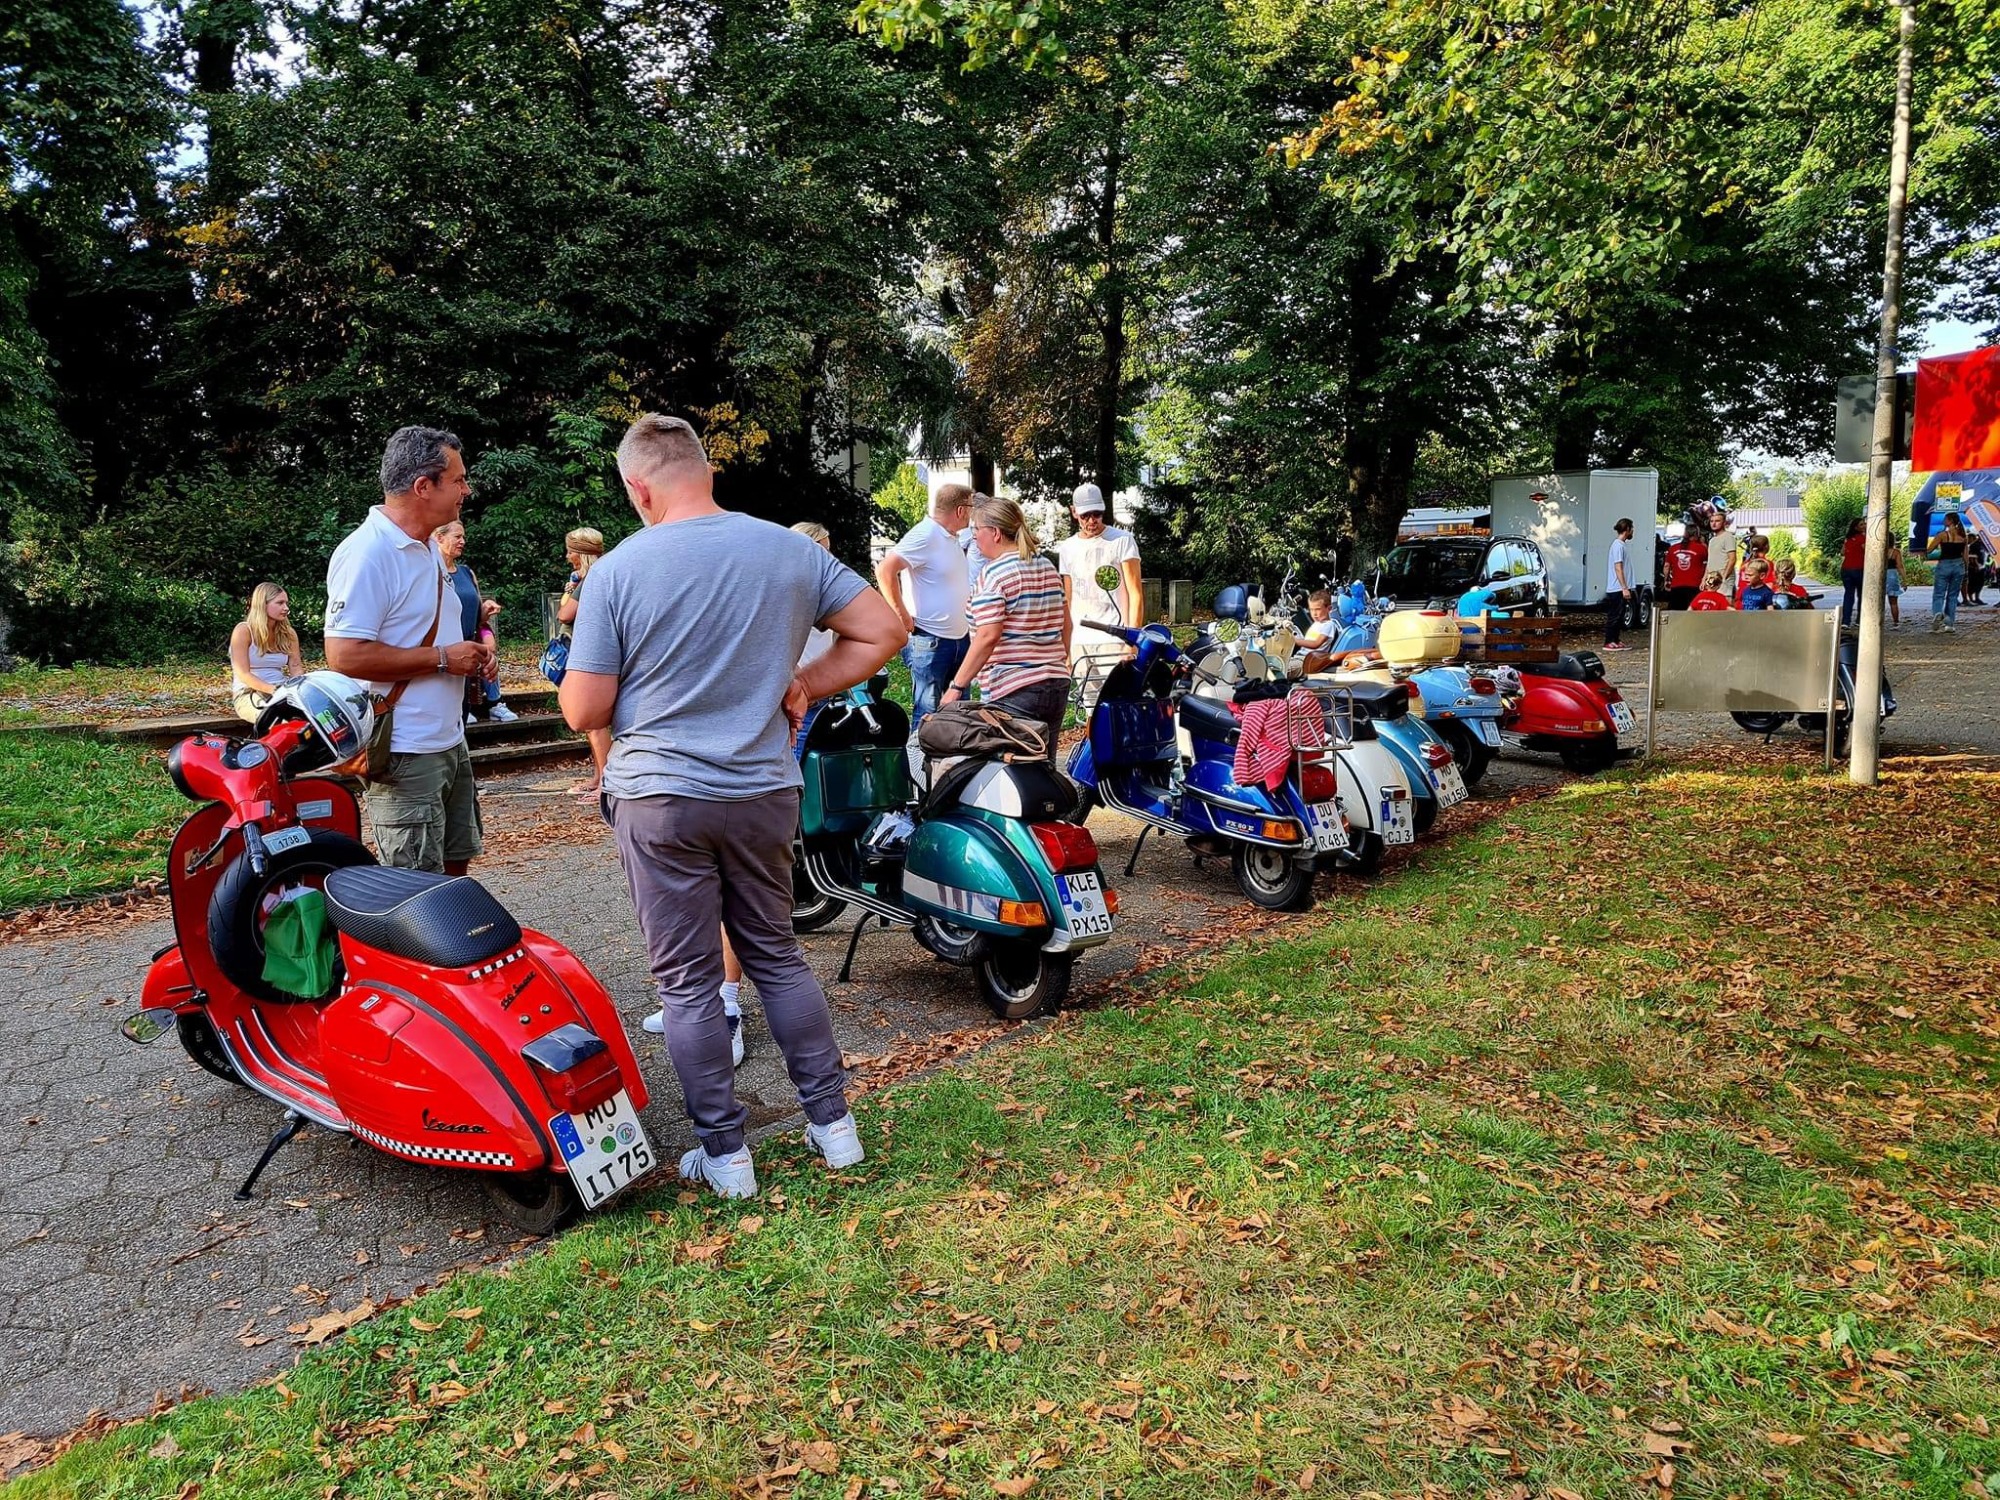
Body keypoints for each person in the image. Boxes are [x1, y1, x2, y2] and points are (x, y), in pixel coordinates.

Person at [559, 413, 905, 1200]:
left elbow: (584, 710)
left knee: (687, 984)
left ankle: (727, 1155)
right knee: (777, 956)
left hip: (661, 799)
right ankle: (834, 1127)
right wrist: (806, 681)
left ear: (638, 487)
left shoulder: (617, 570)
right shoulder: (788, 550)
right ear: (707, 471)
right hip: (762, 791)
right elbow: (883, 630)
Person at [641, 522, 838, 1066]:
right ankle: (827, 1110)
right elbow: (884, 631)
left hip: (739, 769)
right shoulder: (765, 586)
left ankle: (723, 1004)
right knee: (744, 926)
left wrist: (805, 684)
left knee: (738, 915)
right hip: (730, 770)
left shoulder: (786, 587)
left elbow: (584, 706)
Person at [325, 426, 491, 875]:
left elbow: (430, 632)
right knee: (415, 889)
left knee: (454, 872)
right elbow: (345, 655)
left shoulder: (428, 547)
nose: (466, 490)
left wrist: (473, 656)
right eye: (457, 480)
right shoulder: (367, 553)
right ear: (423, 487)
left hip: (448, 740)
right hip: (404, 751)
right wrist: (443, 659)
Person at [946, 494, 1071, 756]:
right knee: (1043, 768)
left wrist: (956, 687)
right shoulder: (1046, 566)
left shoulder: (995, 574)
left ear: (995, 533)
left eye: (976, 530)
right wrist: (1056, 661)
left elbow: (987, 636)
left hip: (1013, 688)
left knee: (1011, 769)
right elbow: (1066, 624)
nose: (974, 537)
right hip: (1056, 682)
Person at [876, 484, 974, 732]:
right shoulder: (925, 534)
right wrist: (901, 616)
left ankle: (953, 758)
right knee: (928, 716)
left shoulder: (950, 537)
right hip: (930, 641)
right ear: (961, 510)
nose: (972, 514)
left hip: (959, 639)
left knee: (960, 716)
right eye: (971, 508)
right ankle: (919, 758)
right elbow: (885, 570)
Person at [1055, 482, 1142, 709]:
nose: (1092, 520)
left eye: (1097, 513)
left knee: (1119, 706)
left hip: (1115, 638)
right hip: (1081, 640)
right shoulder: (1067, 547)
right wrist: (1067, 647)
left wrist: (1131, 641)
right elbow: (1069, 599)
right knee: (1090, 708)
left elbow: (1135, 593)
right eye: (1085, 515)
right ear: (1074, 512)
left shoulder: (1122, 540)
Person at [433, 521, 517, 724]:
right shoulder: (429, 572)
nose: (463, 541)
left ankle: (492, 705)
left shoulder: (467, 572)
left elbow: (477, 615)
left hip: (468, 649)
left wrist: (486, 609)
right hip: (444, 652)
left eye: (463, 537)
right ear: (439, 538)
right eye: (457, 537)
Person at [556, 528, 609, 799]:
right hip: (593, 654)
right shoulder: (601, 574)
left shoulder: (590, 579)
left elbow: (564, 614)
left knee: (594, 721)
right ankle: (599, 776)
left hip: (590, 657)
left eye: (570, 551)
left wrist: (572, 590)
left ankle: (606, 782)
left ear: (581, 553)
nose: (567, 557)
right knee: (592, 723)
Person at [228, 583, 305, 723]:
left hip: (282, 689)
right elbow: (243, 673)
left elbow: (296, 666)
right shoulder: (243, 631)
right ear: (263, 605)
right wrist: (274, 690)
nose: (286, 608)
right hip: (249, 692)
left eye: (286, 603)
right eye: (280, 603)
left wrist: (298, 689)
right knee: (279, 721)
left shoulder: (289, 633)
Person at [1926, 512, 1968, 633]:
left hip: (1944, 565)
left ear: (1950, 521)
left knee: (1939, 593)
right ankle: (1949, 624)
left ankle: (1938, 613)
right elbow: (1965, 555)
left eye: (1945, 519)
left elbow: (1929, 550)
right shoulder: (1963, 537)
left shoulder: (1942, 535)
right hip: (1959, 566)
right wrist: (1966, 570)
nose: (1944, 521)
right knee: (1953, 595)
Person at [1601, 517, 1635, 651]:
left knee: (1620, 615)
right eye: (1632, 528)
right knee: (1614, 615)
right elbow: (1618, 567)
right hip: (1616, 588)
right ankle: (1609, 641)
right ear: (1627, 529)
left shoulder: (1622, 545)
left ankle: (1615, 639)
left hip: (1621, 588)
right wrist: (1624, 587)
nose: (1633, 531)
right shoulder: (1617, 546)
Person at [1662, 525, 1708, 611]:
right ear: (1696, 534)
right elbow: (1706, 566)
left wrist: (1666, 580)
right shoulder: (1702, 548)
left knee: (1676, 613)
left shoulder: (1673, 548)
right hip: (1695, 586)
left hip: (1676, 586)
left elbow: (1666, 566)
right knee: (1693, 613)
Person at [1705, 507, 1740, 597]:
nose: (1714, 523)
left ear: (1724, 523)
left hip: (1723, 579)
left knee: (1724, 603)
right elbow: (1710, 561)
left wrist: (1724, 578)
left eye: (1717, 521)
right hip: (1712, 579)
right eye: (1712, 521)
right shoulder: (1712, 540)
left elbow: (1732, 559)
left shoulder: (1728, 537)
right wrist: (1704, 578)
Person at [1839, 517, 1867, 626]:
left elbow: (1842, 552)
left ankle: (1846, 621)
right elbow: (1867, 550)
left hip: (1846, 569)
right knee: (1862, 595)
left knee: (1848, 595)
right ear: (1856, 527)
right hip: (1859, 568)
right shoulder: (1863, 538)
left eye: (1864, 524)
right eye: (1861, 524)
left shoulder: (1847, 539)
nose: (1864, 526)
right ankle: (1859, 621)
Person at [1884, 537, 1904, 628]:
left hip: (1881, 575)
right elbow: (1900, 566)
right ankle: (1896, 622)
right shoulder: (1896, 552)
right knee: (1893, 602)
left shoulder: (1879, 551)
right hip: (1892, 575)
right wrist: (1904, 579)